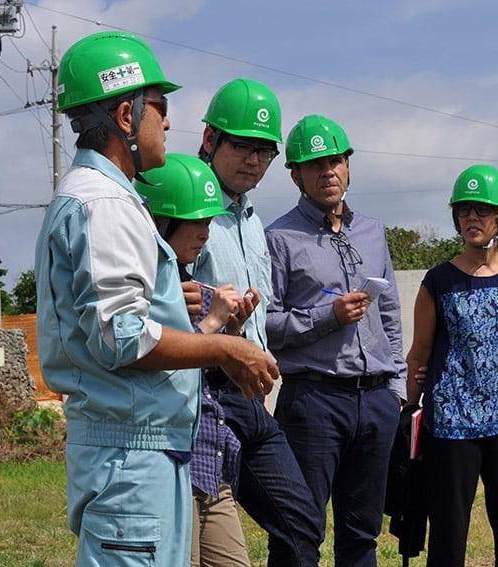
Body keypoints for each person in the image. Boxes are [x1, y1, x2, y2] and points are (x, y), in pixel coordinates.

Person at [34, 32, 277, 567]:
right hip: (130, 457)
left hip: (143, 451)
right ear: (126, 116)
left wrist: (212, 338)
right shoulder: (104, 206)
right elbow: (126, 337)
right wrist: (225, 351)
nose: (167, 123)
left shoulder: (112, 200)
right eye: (160, 108)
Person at [265, 114, 408, 566]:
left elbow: (389, 311)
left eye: (335, 161)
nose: (328, 172)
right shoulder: (279, 238)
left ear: (348, 166)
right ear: (295, 175)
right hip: (314, 400)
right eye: (315, 165)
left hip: (376, 400)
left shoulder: (373, 230)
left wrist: (398, 388)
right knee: (298, 531)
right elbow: (266, 323)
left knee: (362, 534)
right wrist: (328, 317)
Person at [191, 78, 322, 566]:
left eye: (265, 152)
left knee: (302, 522)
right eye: (242, 146)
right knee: (196, 536)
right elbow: (172, 298)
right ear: (210, 139)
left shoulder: (249, 218)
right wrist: (220, 325)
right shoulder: (184, 206)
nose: (254, 161)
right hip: (205, 394)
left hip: (252, 400)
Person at [404, 164, 498, 567]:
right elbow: (419, 353)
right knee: (448, 536)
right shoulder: (438, 281)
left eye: (481, 211)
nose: (471, 219)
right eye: (464, 211)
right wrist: (408, 408)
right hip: (450, 427)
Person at [136, 153, 256, 567]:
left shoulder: (197, 289)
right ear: (164, 223)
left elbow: (213, 381)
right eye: (197, 222)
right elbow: (152, 359)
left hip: (212, 459)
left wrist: (234, 330)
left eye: (209, 222)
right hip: (170, 465)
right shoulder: (138, 287)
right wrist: (213, 325)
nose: (206, 233)